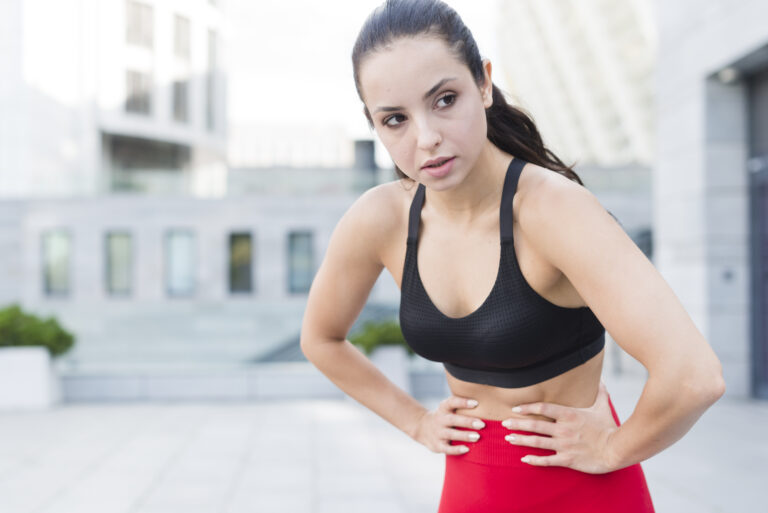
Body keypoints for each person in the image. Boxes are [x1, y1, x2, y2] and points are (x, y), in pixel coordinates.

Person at [300, 0, 726, 511]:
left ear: (483, 84)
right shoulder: (382, 219)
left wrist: (614, 445)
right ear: (374, 124)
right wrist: (416, 421)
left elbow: (693, 375)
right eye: (395, 119)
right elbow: (321, 339)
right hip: (468, 487)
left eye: (444, 99)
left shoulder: (553, 211)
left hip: (577, 488)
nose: (427, 137)